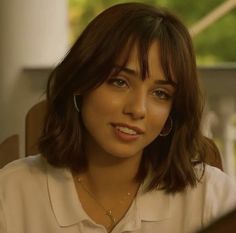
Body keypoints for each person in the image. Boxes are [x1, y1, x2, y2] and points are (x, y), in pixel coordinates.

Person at [0, 2, 236, 233]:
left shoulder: (212, 197)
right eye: (120, 82)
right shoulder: (10, 193)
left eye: (160, 93)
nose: (138, 109)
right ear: (81, 82)